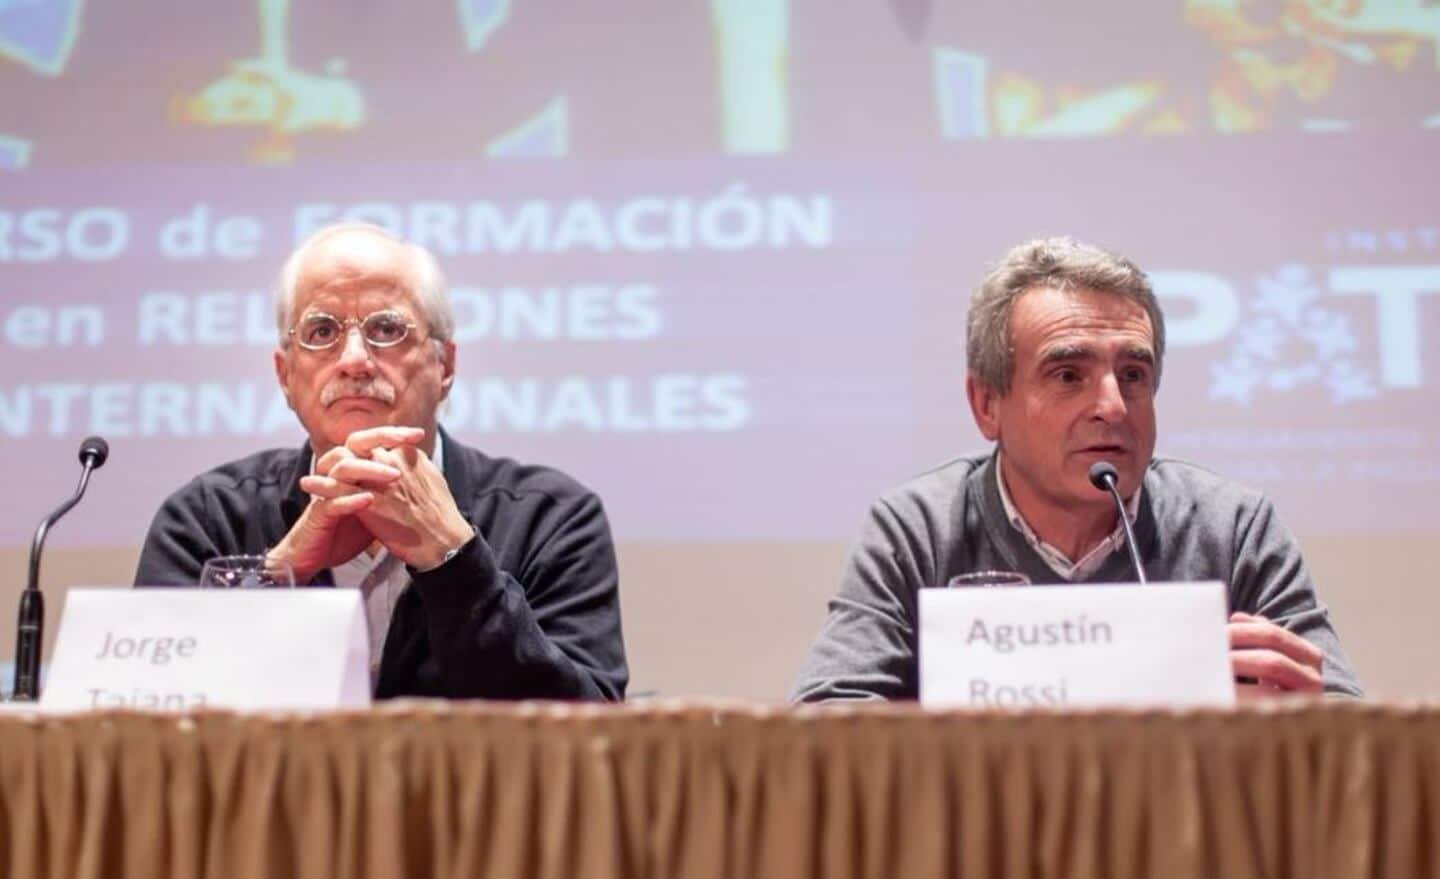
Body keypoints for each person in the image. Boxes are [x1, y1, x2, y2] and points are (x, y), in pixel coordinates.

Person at [792, 237, 1362, 701]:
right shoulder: (918, 528)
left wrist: (1306, 716)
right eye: (1068, 376)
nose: (1113, 406)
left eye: (1133, 376)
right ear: (987, 405)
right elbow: (827, 718)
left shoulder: (1232, 527)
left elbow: (1348, 725)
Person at [135, 222, 628, 701]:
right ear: (285, 376)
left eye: (387, 329)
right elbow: (150, 709)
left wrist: (451, 556)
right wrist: (283, 571)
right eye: (321, 331)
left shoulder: (551, 517)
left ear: (445, 366)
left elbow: (592, 733)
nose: (354, 360)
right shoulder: (206, 517)